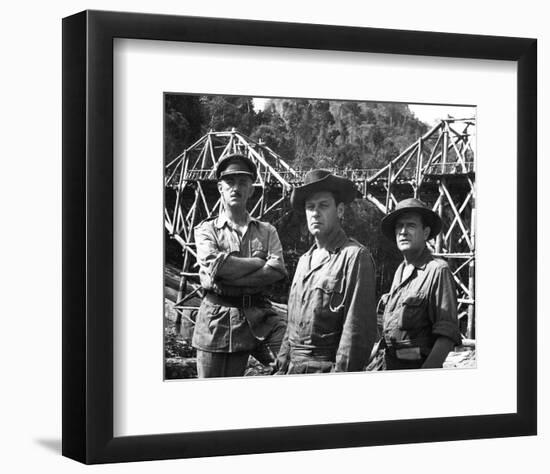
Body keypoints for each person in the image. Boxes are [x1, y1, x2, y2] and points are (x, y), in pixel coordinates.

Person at [192, 153, 288, 378]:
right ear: (220, 188)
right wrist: (257, 262)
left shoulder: (267, 230)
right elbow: (217, 266)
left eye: (243, 182)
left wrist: (224, 278)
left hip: (259, 317)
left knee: (294, 359)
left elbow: (277, 269)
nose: (236, 188)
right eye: (230, 182)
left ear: (251, 190)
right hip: (216, 322)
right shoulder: (206, 230)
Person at [276, 169, 377, 374]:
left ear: (339, 211)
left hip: (325, 371)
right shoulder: (304, 261)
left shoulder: (354, 257)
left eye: (323, 205)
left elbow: (356, 333)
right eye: (310, 207)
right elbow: (291, 328)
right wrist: (280, 367)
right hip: (291, 371)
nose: (315, 212)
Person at [376, 197, 462, 370]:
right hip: (388, 366)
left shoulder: (437, 271)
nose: (403, 231)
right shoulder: (400, 271)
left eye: (411, 225)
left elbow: (447, 335)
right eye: (399, 226)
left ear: (425, 233)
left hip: (416, 367)